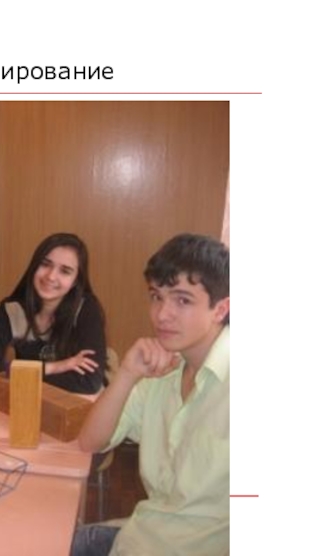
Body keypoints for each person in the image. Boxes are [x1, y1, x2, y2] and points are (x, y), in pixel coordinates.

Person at [72, 234, 230, 556]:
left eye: (182, 300)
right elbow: (90, 442)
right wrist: (127, 374)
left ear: (221, 308)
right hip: (138, 538)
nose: (161, 314)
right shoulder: (163, 370)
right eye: (157, 296)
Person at [0, 233, 107, 394]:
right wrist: (54, 367)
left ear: (75, 282)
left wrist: (21, 374)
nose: (51, 276)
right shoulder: (11, 309)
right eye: (45, 264)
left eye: (65, 271)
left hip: (78, 401)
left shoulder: (86, 308)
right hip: (29, 398)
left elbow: (89, 382)